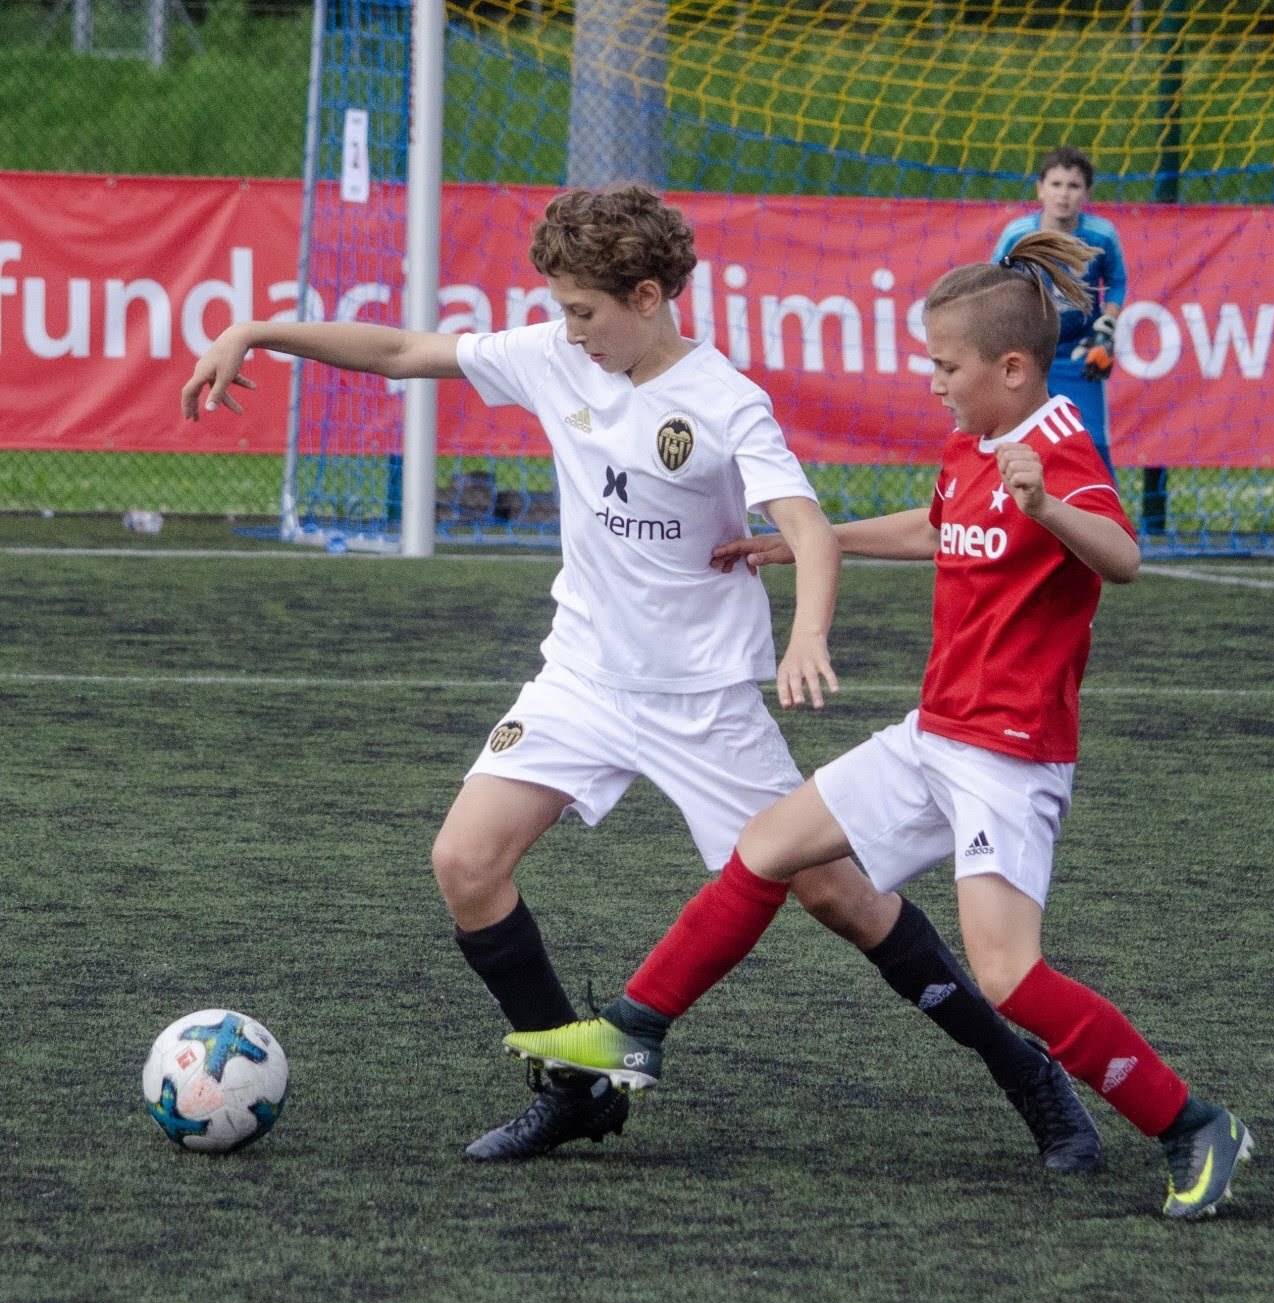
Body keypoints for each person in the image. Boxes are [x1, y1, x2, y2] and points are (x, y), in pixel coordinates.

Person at [180, 185, 1100, 1171]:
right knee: (465, 863)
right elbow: (405, 351)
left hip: (700, 701)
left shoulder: (724, 401)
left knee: (841, 899)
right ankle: (575, 1091)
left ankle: (1026, 1074)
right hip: (580, 678)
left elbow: (805, 528)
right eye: (563, 309)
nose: (569, 329)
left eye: (585, 311)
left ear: (650, 297)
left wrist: (806, 636)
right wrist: (257, 331)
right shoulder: (552, 355)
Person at [502, 230, 1252, 1220]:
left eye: (946, 367)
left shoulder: (1057, 446)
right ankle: (634, 1028)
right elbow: (940, 528)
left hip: (1007, 758)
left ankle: (1193, 1123)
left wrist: (1046, 504)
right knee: (767, 847)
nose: (932, 384)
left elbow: (1121, 556)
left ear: (1011, 368)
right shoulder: (975, 438)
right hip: (934, 734)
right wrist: (809, 541)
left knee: (1010, 976)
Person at [991, 146, 1128, 473]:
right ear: (1040, 189)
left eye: (1073, 185)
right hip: (1028, 355)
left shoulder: (1101, 236)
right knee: (1019, 442)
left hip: (1079, 355)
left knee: (1090, 443)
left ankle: (1100, 505)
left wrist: (1107, 326)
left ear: (1087, 192)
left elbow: (1117, 281)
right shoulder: (1019, 235)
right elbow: (993, 283)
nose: (1063, 194)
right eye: (1055, 184)